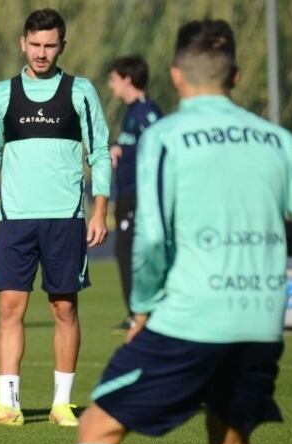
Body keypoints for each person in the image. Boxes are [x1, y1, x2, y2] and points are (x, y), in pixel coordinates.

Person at [14, 19, 292, 444]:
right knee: (231, 443)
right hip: (260, 321)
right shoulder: (276, 139)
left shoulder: (167, 137)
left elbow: (149, 238)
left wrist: (143, 309)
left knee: (97, 427)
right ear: (236, 76)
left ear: (176, 77)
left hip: (190, 317)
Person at [0, 8, 110, 429]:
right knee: (10, 307)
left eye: (50, 45)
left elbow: (99, 152)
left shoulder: (80, 92)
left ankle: (61, 403)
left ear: (62, 46)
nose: (42, 53)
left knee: (64, 307)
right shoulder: (2, 94)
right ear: (22, 44)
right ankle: (8, 405)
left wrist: (99, 209)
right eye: (35, 44)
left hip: (65, 219)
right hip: (14, 221)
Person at [107, 55, 163, 331]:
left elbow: (158, 148)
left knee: (131, 250)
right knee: (125, 249)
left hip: (140, 194)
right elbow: (134, 145)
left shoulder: (146, 112)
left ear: (128, 80)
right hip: (127, 192)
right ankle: (138, 311)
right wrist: (118, 147)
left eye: (114, 79)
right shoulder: (131, 113)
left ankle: (140, 313)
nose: (111, 85)